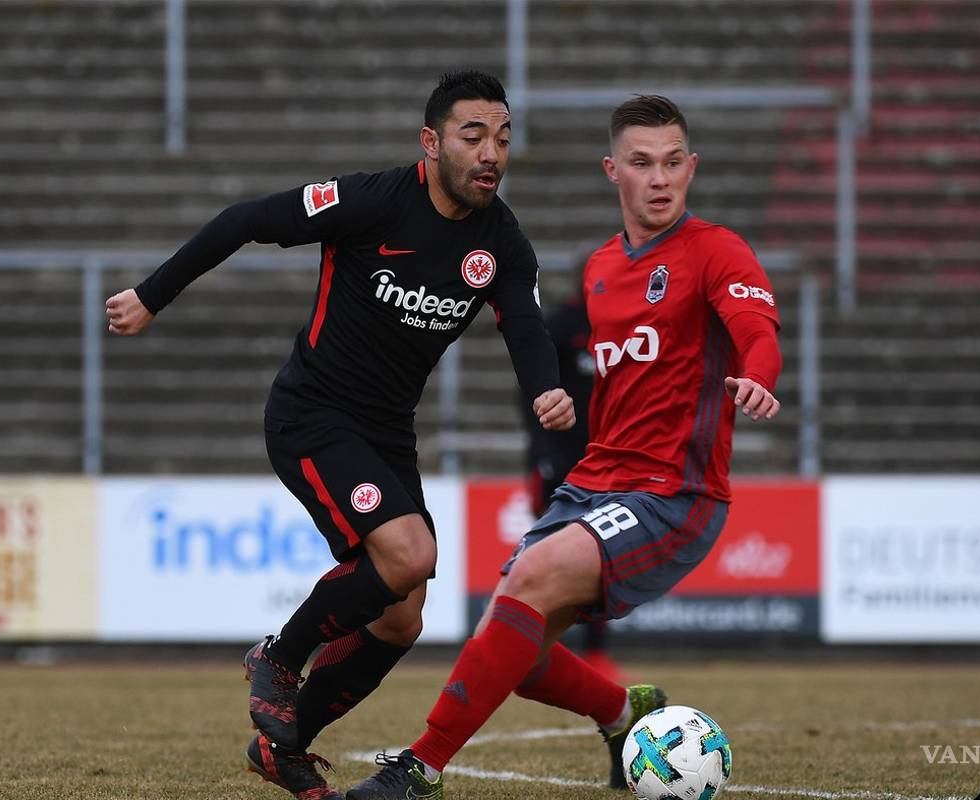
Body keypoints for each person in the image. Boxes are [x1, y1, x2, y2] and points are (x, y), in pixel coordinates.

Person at [104, 70, 574, 800]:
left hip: (387, 432)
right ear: (431, 142)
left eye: (503, 137)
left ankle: (281, 748)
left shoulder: (502, 242)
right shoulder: (372, 201)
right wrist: (151, 295)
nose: (491, 152)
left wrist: (547, 388)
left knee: (403, 616)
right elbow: (246, 218)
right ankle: (279, 657)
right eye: (473, 135)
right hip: (313, 413)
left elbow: (525, 325)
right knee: (412, 553)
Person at [347, 94, 781, 800]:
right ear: (614, 170)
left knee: (530, 581)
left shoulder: (716, 250)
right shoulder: (601, 270)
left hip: (675, 491)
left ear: (692, 167)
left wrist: (757, 378)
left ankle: (418, 768)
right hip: (596, 481)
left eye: (673, 162)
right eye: (642, 163)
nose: (660, 178)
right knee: (505, 644)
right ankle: (623, 711)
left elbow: (757, 329)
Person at [520, 251, 626, 682]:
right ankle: (535, 647)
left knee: (600, 560)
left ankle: (596, 654)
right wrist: (541, 449)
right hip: (558, 461)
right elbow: (533, 393)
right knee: (546, 557)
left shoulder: (623, 326)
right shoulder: (562, 326)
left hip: (605, 461)